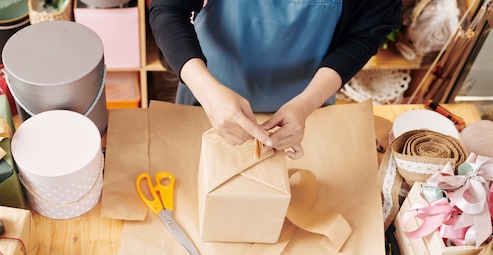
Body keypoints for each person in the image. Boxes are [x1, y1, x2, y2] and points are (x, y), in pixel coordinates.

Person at [149, 0, 403, 159]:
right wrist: (206, 90)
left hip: (308, 105)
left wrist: (307, 103)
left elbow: (363, 36)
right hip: (209, 99)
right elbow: (168, 9)